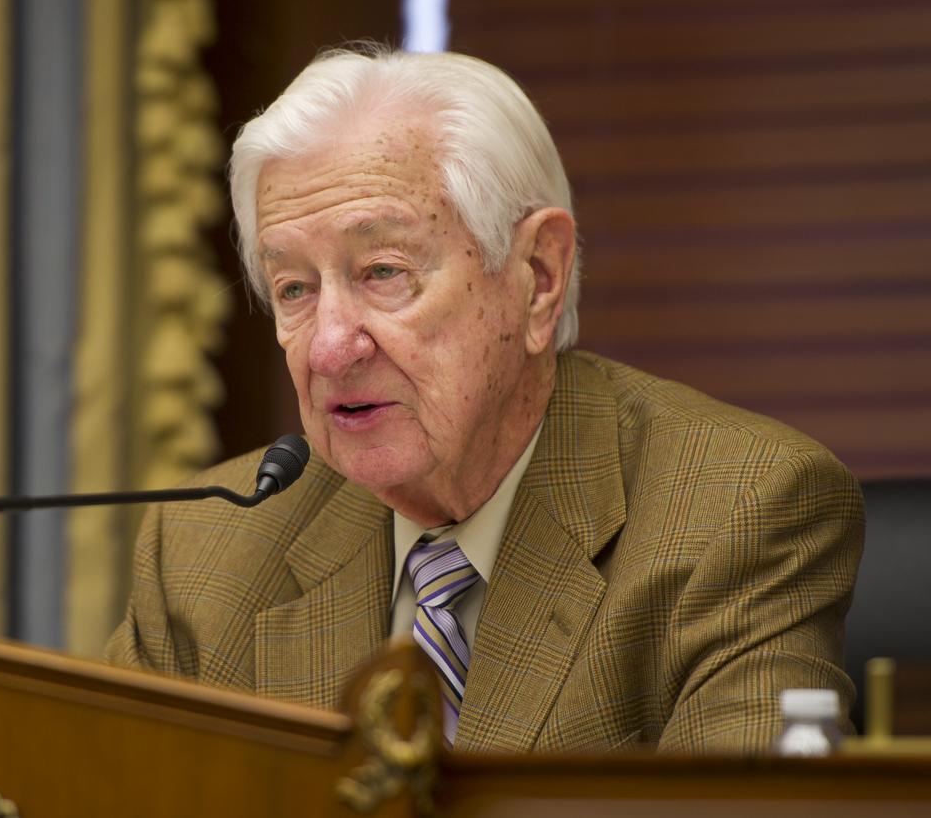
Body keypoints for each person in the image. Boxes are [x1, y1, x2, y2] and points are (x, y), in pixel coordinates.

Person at [106, 47, 864, 754]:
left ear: (537, 275)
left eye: (382, 271)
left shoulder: (736, 511)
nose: (331, 347)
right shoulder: (206, 552)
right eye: (294, 288)